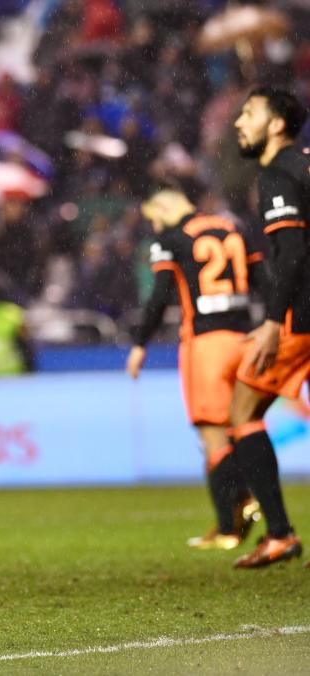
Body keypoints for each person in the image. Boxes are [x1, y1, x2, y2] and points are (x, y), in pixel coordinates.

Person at [125, 183, 262, 550]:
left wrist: (140, 343)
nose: (154, 228)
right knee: (244, 430)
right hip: (246, 339)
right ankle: (245, 512)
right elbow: (263, 280)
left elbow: (159, 295)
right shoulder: (231, 227)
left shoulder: (172, 238)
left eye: (154, 220)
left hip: (206, 344)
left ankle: (232, 522)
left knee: (213, 436)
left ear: (163, 211)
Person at [229, 87, 310, 568]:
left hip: (302, 314)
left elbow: (293, 254)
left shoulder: (278, 174)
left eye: (249, 113)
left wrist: (273, 321)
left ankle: (279, 533)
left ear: (276, 124)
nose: (239, 121)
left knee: (243, 411)